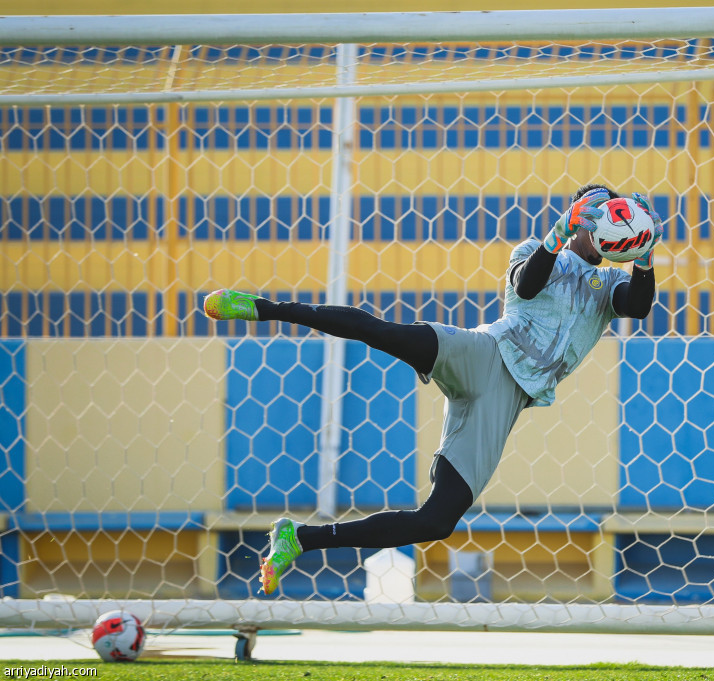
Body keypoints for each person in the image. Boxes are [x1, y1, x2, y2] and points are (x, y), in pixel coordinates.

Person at [202, 183, 661, 595]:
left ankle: (298, 538)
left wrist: (644, 257)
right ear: (579, 219)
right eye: (594, 212)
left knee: (437, 521)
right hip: (485, 351)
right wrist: (555, 236)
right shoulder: (537, 248)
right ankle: (265, 308)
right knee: (384, 332)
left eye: (614, 214)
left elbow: (637, 307)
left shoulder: (611, 283)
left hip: (505, 400)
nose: (605, 222)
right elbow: (526, 284)